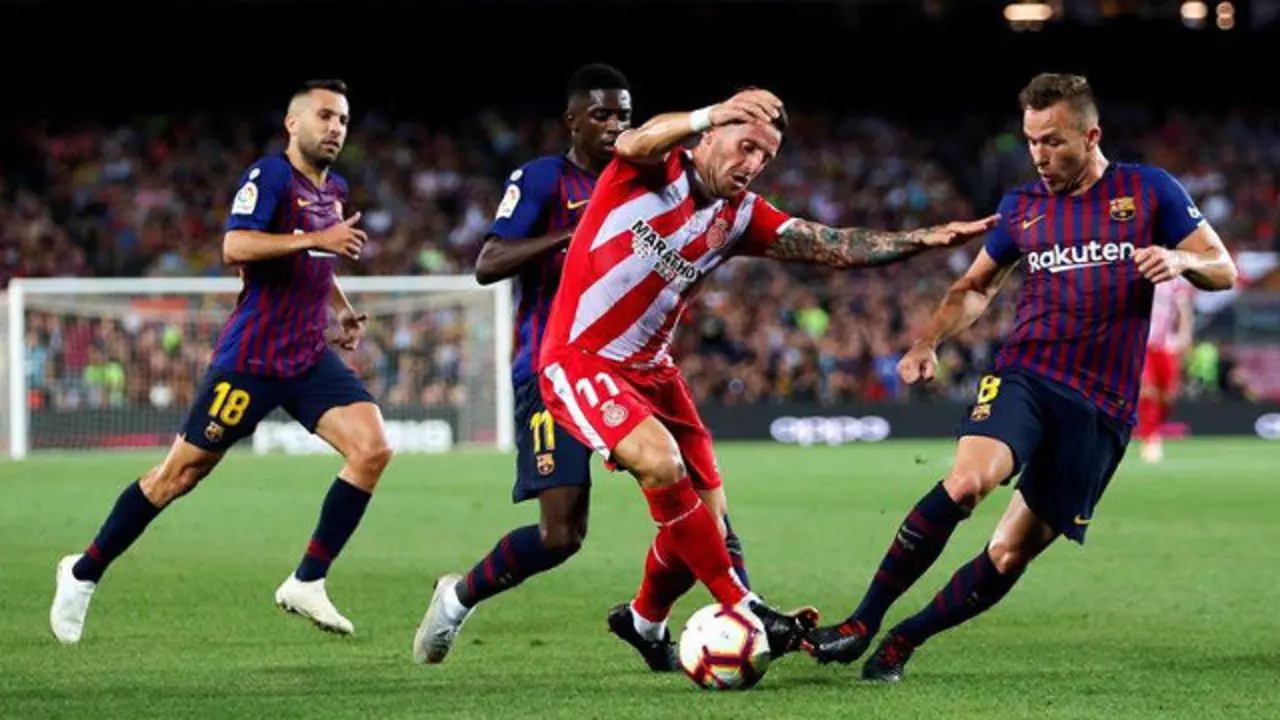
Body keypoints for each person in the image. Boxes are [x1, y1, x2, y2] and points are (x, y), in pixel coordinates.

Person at [533, 86, 998, 661]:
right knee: (661, 463)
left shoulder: (740, 217)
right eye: (745, 145)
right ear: (712, 135)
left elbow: (832, 246)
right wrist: (709, 110)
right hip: (581, 357)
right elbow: (636, 138)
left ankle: (644, 621)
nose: (752, 165)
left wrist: (922, 239)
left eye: (765, 157)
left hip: (654, 371)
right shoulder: (651, 169)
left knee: (705, 523)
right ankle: (743, 605)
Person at [802, 72, 1238, 681]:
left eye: (1053, 141)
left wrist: (1182, 258)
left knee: (1007, 554)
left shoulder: (1148, 191)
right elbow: (975, 286)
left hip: (1102, 408)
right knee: (967, 483)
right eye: (1032, 141)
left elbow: (1224, 268)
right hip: (1027, 375)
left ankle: (904, 639)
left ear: (1091, 136)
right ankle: (860, 623)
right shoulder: (1023, 209)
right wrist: (928, 340)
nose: (1039, 155)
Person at [49, 79, 392, 644]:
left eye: (344, 120)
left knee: (373, 448)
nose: (335, 128)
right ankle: (83, 572)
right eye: (325, 116)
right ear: (294, 124)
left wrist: (342, 308)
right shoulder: (270, 176)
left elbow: (315, 261)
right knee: (179, 475)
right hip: (252, 359)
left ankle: (308, 580)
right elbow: (236, 246)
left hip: (307, 356)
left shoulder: (336, 188)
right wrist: (315, 239)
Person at [415, 63, 661, 666]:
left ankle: (661, 626)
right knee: (560, 537)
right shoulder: (545, 179)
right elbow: (489, 261)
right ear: (572, 120)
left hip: (628, 370)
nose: (614, 126)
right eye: (601, 114)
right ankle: (456, 598)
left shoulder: (643, 185)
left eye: (624, 115)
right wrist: (566, 238)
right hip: (551, 375)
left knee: (686, 490)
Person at [1137, 276, 1196, 462]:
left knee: (1168, 395)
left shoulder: (1175, 280)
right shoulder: (1138, 277)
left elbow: (1184, 311)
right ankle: (1150, 438)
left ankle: (1156, 428)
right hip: (1142, 343)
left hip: (1167, 345)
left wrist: (1184, 336)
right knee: (1147, 390)